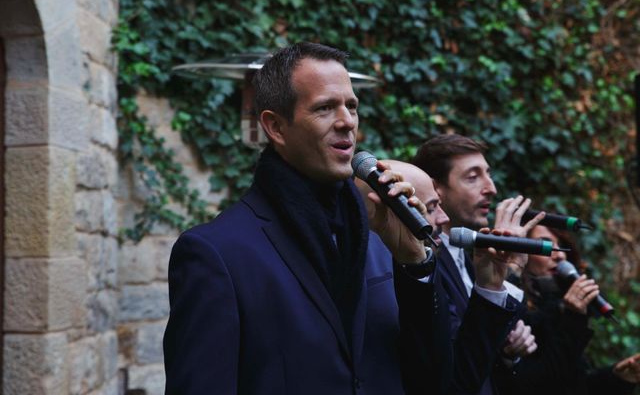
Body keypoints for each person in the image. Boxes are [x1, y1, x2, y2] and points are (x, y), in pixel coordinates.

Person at [163, 42, 521, 394]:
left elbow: (434, 383)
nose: (347, 122)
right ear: (275, 127)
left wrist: (415, 266)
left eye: (352, 106)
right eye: (324, 108)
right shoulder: (216, 253)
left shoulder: (383, 233)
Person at [358, 160, 532, 394]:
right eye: (430, 208)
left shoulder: (437, 265)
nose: (443, 218)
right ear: (382, 212)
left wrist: (491, 287)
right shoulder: (381, 275)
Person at [413, 134, 541, 394]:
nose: (491, 188)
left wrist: (509, 353)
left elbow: (485, 347)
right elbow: (453, 368)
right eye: (472, 177)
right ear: (436, 189)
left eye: (488, 174)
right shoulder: (424, 261)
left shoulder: (473, 258)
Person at [493, 224, 640, 394]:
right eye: (545, 245)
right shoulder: (510, 306)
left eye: (561, 246)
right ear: (520, 252)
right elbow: (538, 383)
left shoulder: (560, 305)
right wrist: (573, 319)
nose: (560, 255)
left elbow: (572, 385)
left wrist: (615, 378)